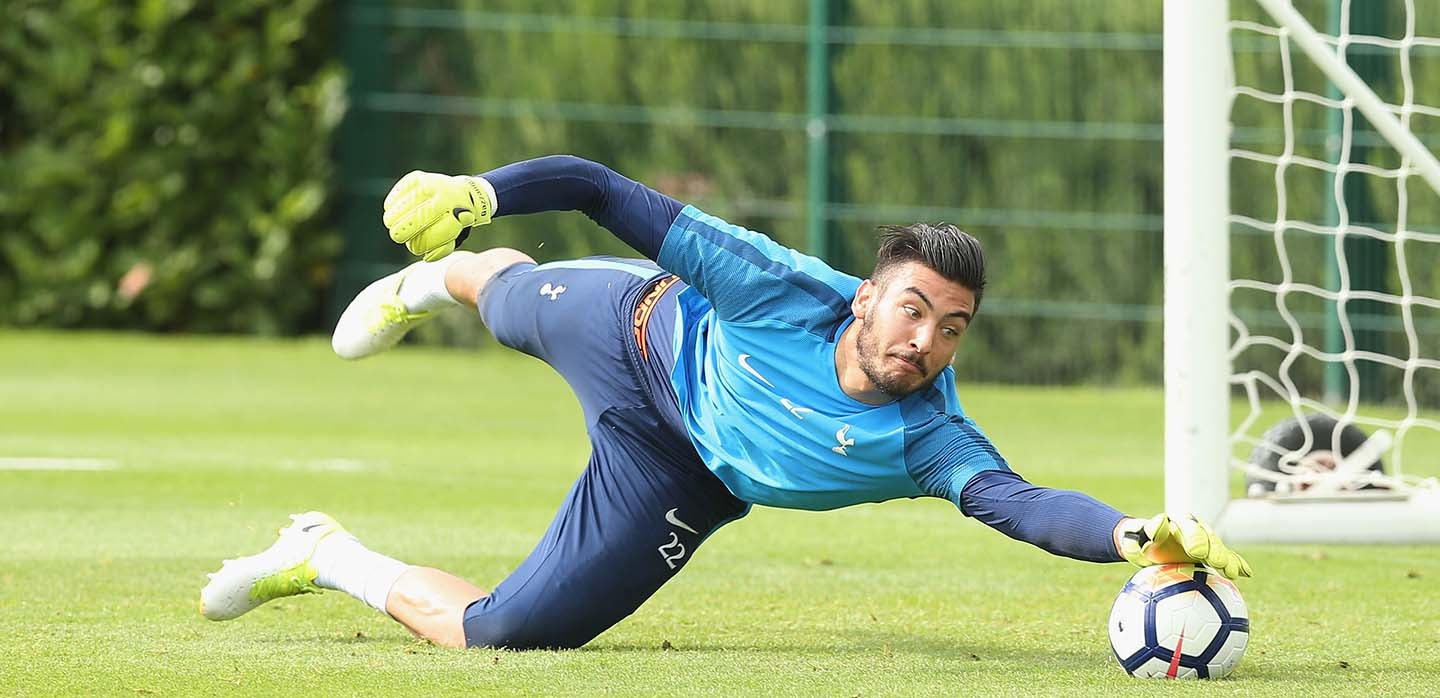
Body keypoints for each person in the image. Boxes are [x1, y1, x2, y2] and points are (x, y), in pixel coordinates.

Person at [200, 155, 1252, 650]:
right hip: (640, 336)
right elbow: (598, 188)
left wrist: (1131, 531)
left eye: (951, 327)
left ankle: (321, 550)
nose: (923, 340)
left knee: (506, 632)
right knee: (507, 295)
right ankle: (442, 279)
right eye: (912, 310)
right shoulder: (771, 283)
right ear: (868, 293)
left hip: (684, 477)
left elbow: (1021, 502)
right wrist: (476, 198)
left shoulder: (933, 436)